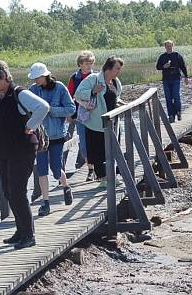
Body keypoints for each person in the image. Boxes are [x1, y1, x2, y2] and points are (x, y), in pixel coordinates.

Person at [0, 60, 49, 250]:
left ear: (4, 76)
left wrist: (30, 126)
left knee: (18, 193)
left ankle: (29, 235)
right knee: (8, 192)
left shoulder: (20, 93)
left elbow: (43, 107)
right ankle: (20, 231)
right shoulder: (0, 99)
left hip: (21, 151)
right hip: (4, 153)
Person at [28, 62, 75, 217]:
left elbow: (71, 109)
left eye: (38, 78)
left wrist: (50, 110)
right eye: (34, 78)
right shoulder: (32, 91)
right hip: (40, 137)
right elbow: (25, 110)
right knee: (41, 169)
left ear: (45, 76)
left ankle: (66, 187)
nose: (35, 81)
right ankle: (45, 203)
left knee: (56, 170)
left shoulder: (60, 88)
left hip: (56, 136)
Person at [73, 56, 124, 181]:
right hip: (95, 123)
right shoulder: (93, 79)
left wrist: (122, 104)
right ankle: (102, 179)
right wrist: (92, 91)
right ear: (108, 68)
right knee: (97, 152)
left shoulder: (116, 82)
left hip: (112, 123)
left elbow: (115, 98)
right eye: (117, 68)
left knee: (112, 151)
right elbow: (77, 94)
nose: (119, 71)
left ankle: (111, 177)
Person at [67, 51, 96, 180]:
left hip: (96, 113)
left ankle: (96, 168)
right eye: (86, 63)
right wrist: (69, 114)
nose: (89, 65)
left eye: (91, 63)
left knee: (96, 141)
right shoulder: (75, 78)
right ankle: (90, 169)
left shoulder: (96, 77)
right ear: (80, 64)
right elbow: (69, 97)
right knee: (83, 144)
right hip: (80, 115)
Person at [155, 40, 189, 123]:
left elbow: (183, 66)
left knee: (176, 96)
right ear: (165, 47)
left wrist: (186, 77)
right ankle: (171, 115)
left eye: (170, 46)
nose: (169, 48)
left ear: (173, 46)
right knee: (168, 98)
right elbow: (158, 67)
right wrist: (164, 66)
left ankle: (178, 112)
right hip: (166, 80)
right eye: (167, 46)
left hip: (176, 78)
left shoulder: (177, 55)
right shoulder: (162, 56)